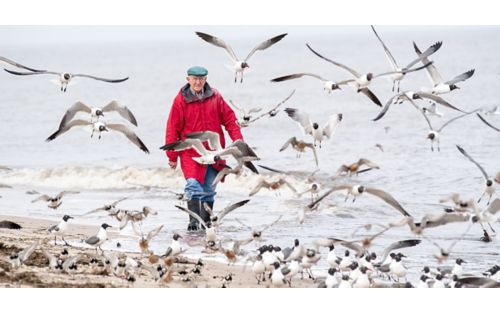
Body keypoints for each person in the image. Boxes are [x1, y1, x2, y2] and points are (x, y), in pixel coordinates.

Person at [164, 66, 243, 231]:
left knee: (208, 190)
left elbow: (230, 120)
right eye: (194, 78)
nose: (198, 82)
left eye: (201, 79)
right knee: (192, 185)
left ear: (206, 79)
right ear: (188, 79)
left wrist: (238, 141)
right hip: (191, 152)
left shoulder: (215, 97)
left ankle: (206, 225)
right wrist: (171, 156)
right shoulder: (180, 100)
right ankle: (193, 224)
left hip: (214, 152)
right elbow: (172, 128)